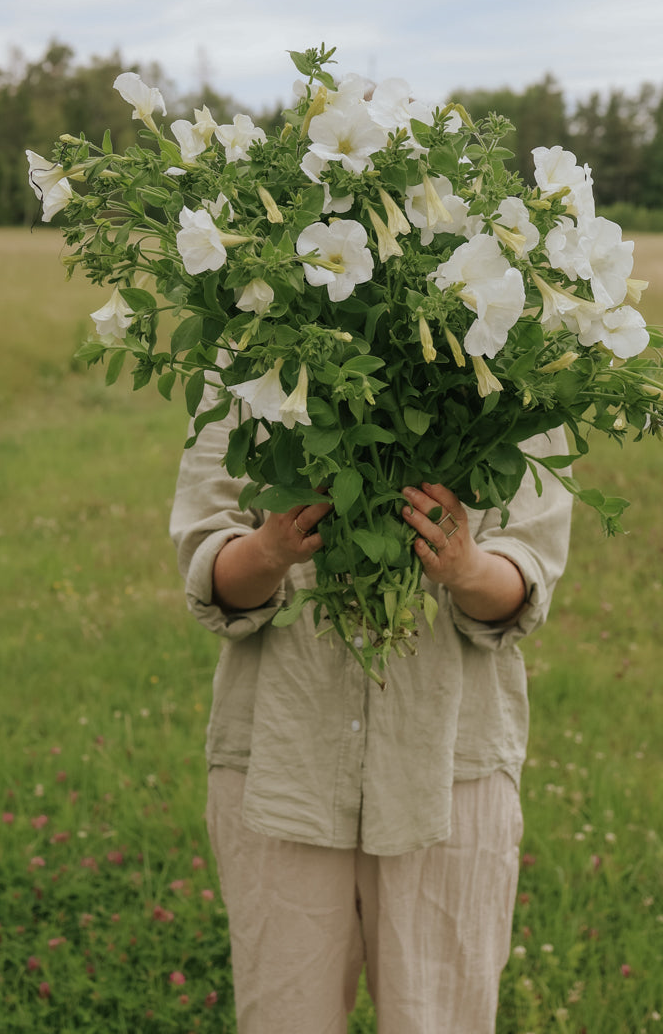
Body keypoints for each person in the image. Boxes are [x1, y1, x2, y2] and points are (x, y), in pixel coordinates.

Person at [170, 385, 572, 1034]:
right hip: (284, 762)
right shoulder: (241, 364)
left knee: (440, 1019)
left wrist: (466, 568)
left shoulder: (520, 374)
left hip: (447, 763)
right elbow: (209, 572)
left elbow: (524, 583)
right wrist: (270, 551)